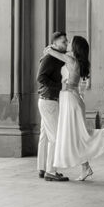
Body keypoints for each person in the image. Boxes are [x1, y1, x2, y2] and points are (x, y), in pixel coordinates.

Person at [45, 34, 104, 181]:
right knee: (76, 136)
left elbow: (48, 50)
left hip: (70, 99)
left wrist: (54, 46)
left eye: (70, 42)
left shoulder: (71, 60)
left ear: (75, 47)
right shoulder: (76, 60)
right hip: (72, 99)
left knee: (78, 135)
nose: (68, 43)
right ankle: (85, 168)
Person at [36, 30, 69, 182]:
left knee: (44, 136)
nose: (66, 44)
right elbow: (40, 77)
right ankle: (51, 171)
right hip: (49, 100)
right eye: (63, 42)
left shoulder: (54, 56)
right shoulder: (50, 57)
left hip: (46, 99)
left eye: (67, 41)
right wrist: (59, 86)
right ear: (55, 43)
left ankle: (42, 168)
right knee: (55, 137)